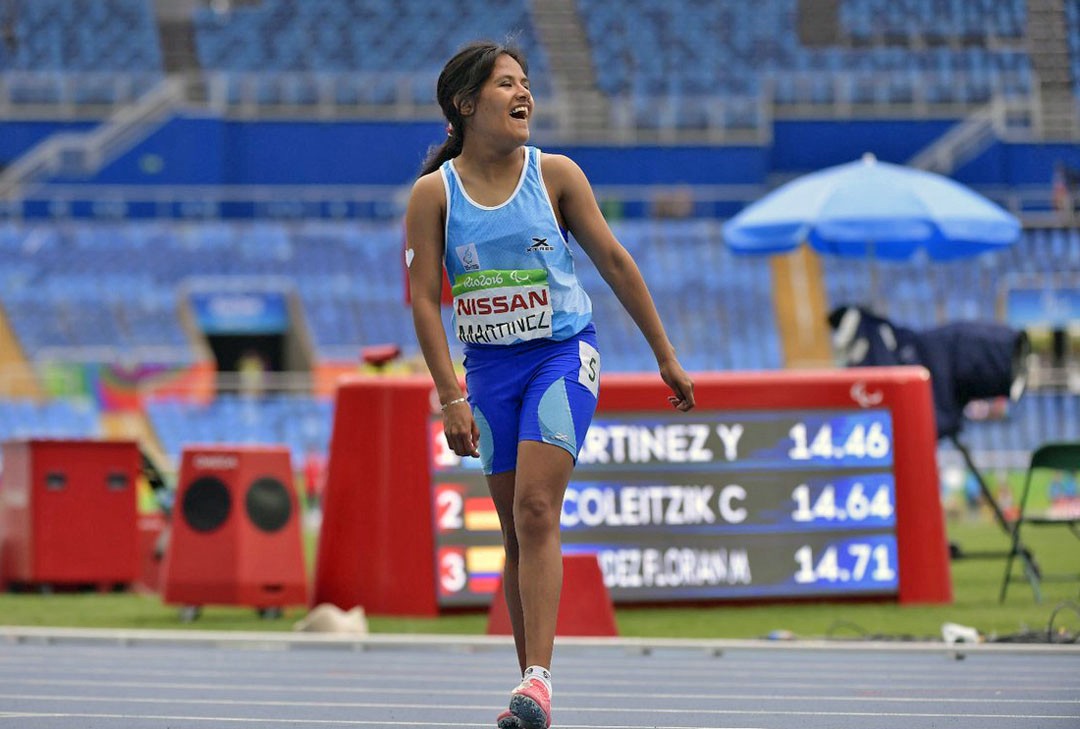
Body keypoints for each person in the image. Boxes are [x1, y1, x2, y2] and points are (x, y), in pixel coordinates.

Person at [405, 41, 695, 729]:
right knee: (513, 527)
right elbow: (421, 300)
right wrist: (451, 394)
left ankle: (540, 679)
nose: (523, 92)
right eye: (507, 83)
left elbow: (617, 262)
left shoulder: (557, 174)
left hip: (561, 355)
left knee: (537, 509)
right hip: (489, 372)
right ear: (467, 103)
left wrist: (664, 352)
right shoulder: (432, 195)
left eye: (527, 82)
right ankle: (528, 690)